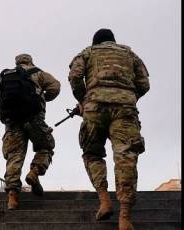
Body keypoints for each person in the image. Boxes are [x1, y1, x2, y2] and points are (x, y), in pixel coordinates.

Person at [68, 29, 150, 230]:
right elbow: (144, 84)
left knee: (92, 153)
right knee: (125, 157)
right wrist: (126, 96)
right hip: (125, 109)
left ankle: (104, 200)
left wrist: (83, 100)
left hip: (94, 106)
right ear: (113, 41)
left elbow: (75, 76)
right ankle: (124, 216)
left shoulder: (87, 52)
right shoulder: (130, 54)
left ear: (96, 42)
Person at [0, 54, 60, 210]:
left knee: (14, 157)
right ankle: (34, 172)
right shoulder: (39, 73)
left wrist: (3, 114)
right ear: (30, 61)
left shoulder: (5, 77)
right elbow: (55, 87)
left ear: (16, 63)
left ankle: (13, 197)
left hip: (12, 122)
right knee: (46, 147)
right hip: (34, 119)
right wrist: (44, 98)